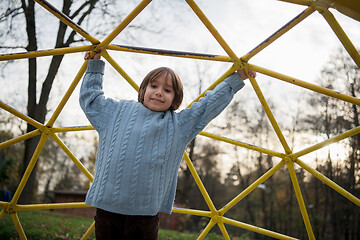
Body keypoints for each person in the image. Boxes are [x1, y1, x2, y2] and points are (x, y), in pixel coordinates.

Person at [80, 51, 256, 240]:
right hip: (107, 208)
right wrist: (95, 65)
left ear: (175, 98)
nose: (158, 92)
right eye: (153, 86)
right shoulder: (117, 112)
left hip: (145, 215)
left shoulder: (179, 125)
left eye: (167, 90)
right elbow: (91, 100)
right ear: (143, 90)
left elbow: (206, 106)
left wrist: (237, 79)